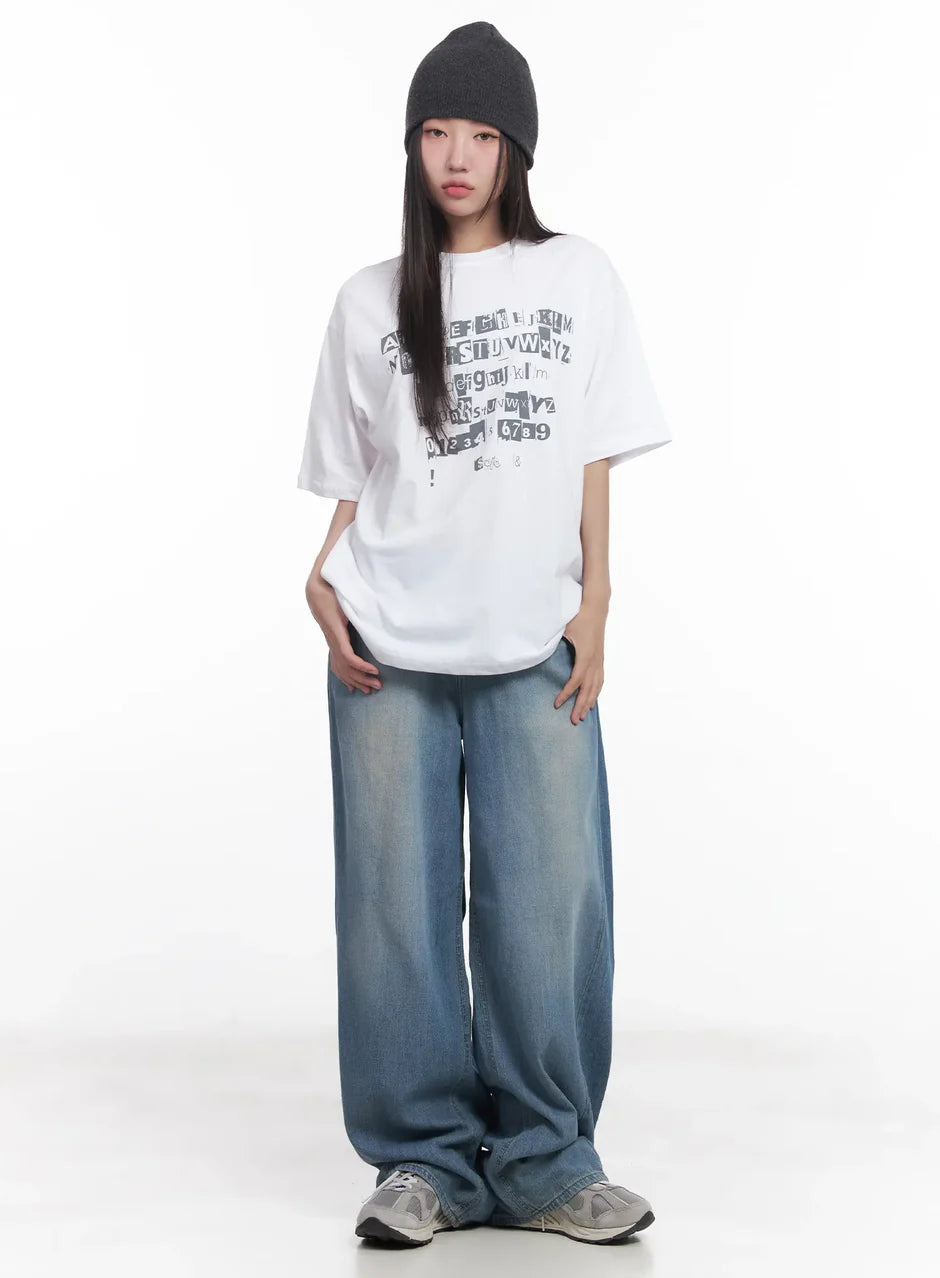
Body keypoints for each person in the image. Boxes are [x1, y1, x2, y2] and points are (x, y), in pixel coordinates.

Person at [297, 21, 672, 1248]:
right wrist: (318, 577)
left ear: (516, 150)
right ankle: (423, 1163)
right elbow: (358, 474)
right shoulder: (367, 299)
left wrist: (597, 604)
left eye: (481, 134)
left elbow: (592, 456)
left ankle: (550, 1159)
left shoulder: (576, 278)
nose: (456, 156)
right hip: (382, 641)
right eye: (435, 132)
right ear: (411, 146)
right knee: (393, 912)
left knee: (549, 904)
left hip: (531, 639)